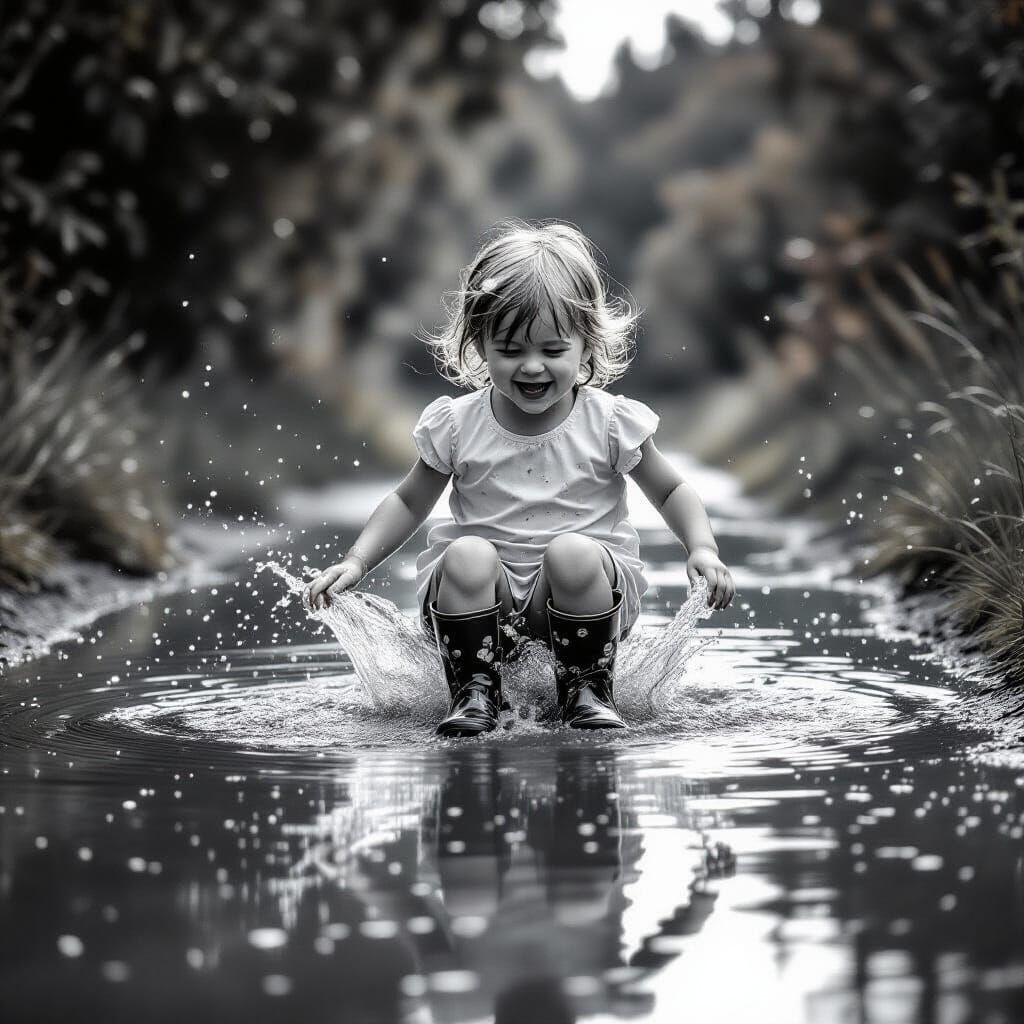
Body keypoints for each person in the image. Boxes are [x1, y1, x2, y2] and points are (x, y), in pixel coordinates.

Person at [306, 220, 735, 737]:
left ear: (587, 345)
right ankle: (473, 695)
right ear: (479, 344)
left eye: (553, 351)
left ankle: (588, 690)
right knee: (466, 552)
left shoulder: (611, 422)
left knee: (573, 551)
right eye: (510, 350)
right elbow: (407, 501)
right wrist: (356, 561)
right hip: (483, 604)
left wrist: (702, 548)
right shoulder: (458, 424)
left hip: (590, 599)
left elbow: (671, 490)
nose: (532, 367)